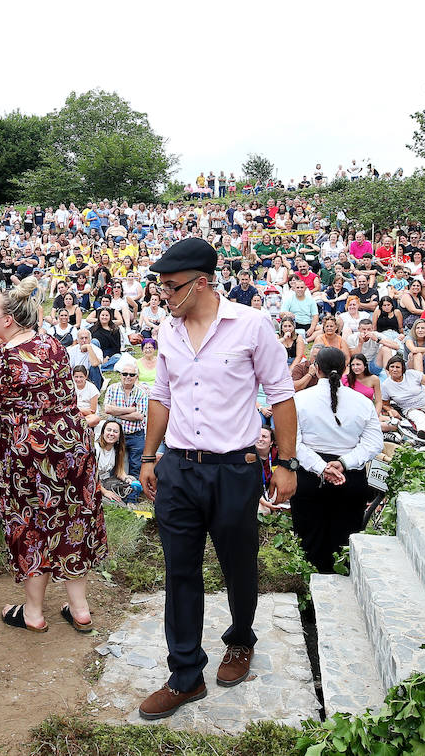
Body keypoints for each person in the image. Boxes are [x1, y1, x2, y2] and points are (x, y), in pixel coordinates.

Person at [137, 237, 299, 721]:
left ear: (201, 283)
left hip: (235, 468)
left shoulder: (251, 325)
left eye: (171, 286)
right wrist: (149, 457)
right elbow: (161, 396)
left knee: (238, 563)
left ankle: (241, 640)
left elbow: (282, 393)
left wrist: (286, 463)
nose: (164, 295)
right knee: (179, 570)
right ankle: (185, 675)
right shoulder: (167, 331)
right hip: (180, 467)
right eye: (162, 287)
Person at [0, 277, 108, 633]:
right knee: (74, 519)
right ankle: (80, 608)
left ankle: (34, 613)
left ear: (8, 320)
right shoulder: (52, 343)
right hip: (72, 448)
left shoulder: (7, 359)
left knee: (31, 525)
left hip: (30, 456)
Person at [291, 347, 383, 572]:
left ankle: (310, 598)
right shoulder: (362, 402)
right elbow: (373, 444)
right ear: (344, 368)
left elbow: (293, 443)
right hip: (347, 476)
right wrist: (342, 463)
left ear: (316, 368)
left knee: (310, 542)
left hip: (311, 476)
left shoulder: (300, 399)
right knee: (342, 544)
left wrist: (323, 467)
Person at [103, 356, 150, 474]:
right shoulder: (112, 389)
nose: (128, 377)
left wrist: (116, 413)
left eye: (131, 375)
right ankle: (114, 489)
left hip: (136, 434)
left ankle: (134, 491)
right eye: (125, 374)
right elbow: (107, 409)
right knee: (113, 464)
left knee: (136, 466)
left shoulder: (142, 393)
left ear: (136, 377)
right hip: (116, 434)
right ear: (120, 375)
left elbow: (139, 416)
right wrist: (130, 410)